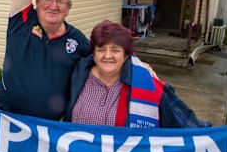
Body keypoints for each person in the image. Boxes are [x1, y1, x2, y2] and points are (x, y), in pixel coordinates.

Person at [0, 0, 90, 120]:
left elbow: (106, 58)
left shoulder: (78, 41)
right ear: (37, 2)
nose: (53, 6)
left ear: (68, 8)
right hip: (6, 118)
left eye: (61, 1)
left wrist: (138, 65)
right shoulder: (22, 21)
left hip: (48, 130)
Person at [64, 20, 211, 128]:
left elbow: (182, 121)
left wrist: (213, 139)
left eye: (115, 50)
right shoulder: (77, 75)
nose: (107, 56)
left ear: (127, 55)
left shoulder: (146, 83)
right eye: (101, 49)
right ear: (93, 53)